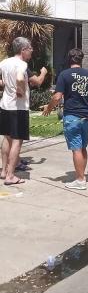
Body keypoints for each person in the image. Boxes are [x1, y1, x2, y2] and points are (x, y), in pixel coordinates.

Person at [42, 48, 88, 190]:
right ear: (81, 60)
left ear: (70, 59)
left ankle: (80, 180)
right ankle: (82, 175)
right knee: (82, 147)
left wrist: (49, 108)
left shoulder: (64, 74)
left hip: (73, 116)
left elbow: (57, 96)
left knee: (76, 149)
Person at [0, 37, 47, 185]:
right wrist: (43, 73)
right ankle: (10, 176)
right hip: (18, 108)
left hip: (5, 105)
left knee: (7, 138)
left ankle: (3, 171)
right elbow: (36, 82)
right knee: (17, 141)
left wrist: (7, 85)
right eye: (30, 48)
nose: (31, 51)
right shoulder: (22, 64)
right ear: (23, 50)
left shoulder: (4, 63)